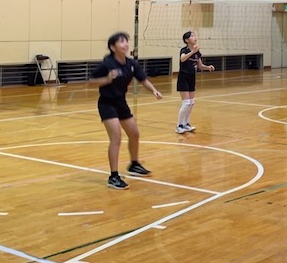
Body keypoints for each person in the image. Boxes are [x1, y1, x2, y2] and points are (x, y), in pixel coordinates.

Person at [91, 32, 163, 190]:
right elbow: (91, 82)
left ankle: (134, 164)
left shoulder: (131, 63)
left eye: (126, 41)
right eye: (121, 42)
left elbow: (143, 79)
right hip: (107, 103)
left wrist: (154, 91)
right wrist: (107, 79)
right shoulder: (107, 64)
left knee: (134, 134)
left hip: (121, 103)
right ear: (112, 47)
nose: (125, 44)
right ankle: (114, 176)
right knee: (116, 138)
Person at [176, 30, 215, 134]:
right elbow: (182, 59)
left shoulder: (197, 52)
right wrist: (192, 52)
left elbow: (200, 65)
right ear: (186, 40)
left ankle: (186, 123)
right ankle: (179, 125)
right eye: (192, 36)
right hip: (183, 77)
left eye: (195, 35)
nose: (195, 37)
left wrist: (208, 67)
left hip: (192, 77)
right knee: (186, 103)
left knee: (191, 103)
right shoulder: (184, 50)